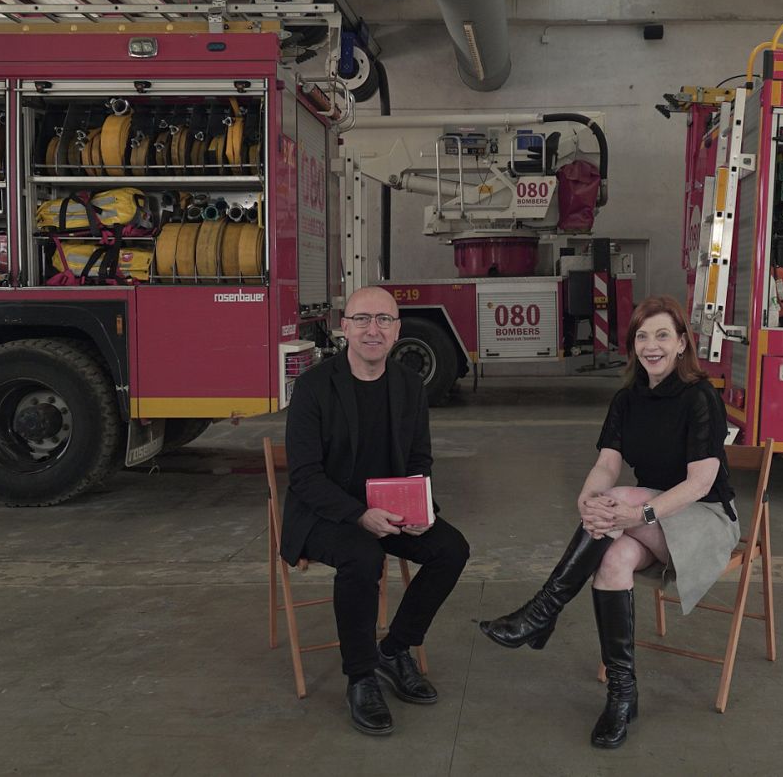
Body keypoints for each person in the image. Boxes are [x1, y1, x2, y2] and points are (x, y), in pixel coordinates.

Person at [478, 295, 737, 749]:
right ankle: (622, 694)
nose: (651, 346)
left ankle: (543, 611)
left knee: (617, 502)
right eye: (642, 336)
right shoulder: (626, 400)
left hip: (702, 521)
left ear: (681, 344)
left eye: (662, 335)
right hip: (649, 516)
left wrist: (634, 511)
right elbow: (607, 463)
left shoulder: (701, 398)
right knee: (611, 560)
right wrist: (586, 497)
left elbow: (700, 484)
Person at [282, 286, 471, 736]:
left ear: (397, 330)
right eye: (363, 319)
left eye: (384, 320)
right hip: (324, 513)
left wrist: (423, 506)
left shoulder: (408, 384)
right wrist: (358, 515)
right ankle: (361, 675)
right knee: (363, 556)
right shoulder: (312, 387)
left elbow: (419, 460)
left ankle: (395, 648)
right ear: (343, 327)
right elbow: (304, 477)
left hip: (389, 509)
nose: (374, 329)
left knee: (452, 549)